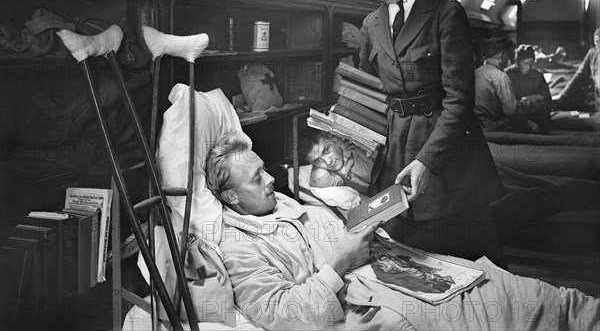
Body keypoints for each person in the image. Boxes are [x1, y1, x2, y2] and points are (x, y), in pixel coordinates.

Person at [206, 132, 600, 331]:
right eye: (257, 179)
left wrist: (368, 220)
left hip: (404, 268)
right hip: (371, 304)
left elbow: (347, 230)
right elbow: (281, 313)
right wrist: (340, 261)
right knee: (495, 315)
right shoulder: (239, 247)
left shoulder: (292, 206)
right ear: (231, 198)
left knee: (534, 295)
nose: (272, 180)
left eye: (264, 169)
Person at [345, 0, 506, 265]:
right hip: (396, 149)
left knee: (468, 255)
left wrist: (427, 162)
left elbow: (459, 101)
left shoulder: (445, 13)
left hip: (447, 151)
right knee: (411, 259)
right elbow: (368, 90)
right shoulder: (371, 24)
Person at [474, 37, 537, 133]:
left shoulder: (475, 73)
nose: (509, 58)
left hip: (475, 124)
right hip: (492, 126)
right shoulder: (501, 77)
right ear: (501, 55)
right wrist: (528, 123)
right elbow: (511, 112)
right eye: (508, 54)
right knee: (532, 126)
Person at [298, 131, 373, 194]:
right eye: (317, 161)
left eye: (327, 150)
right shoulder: (331, 177)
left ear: (334, 138)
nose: (328, 161)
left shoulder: (360, 149)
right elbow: (320, 182)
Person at [505, 44, 552, 132]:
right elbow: (503, 104)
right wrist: (522, 102)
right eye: (525, 63)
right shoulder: (507, 75)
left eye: (531, 63)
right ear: (517, 61)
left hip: (536, 116)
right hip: (515, 118)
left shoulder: (538, 75)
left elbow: (548, 101)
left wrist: (537, 102)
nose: (528, 66)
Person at [554, 27, 600, 112]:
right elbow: (579, 76)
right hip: (594, 97)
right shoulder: (592, 53)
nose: (599, 45)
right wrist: (563, 96)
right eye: (597, 42)